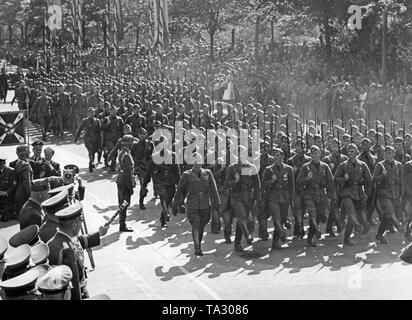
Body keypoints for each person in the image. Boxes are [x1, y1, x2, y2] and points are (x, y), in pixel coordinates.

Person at [47, 202, 101, 300]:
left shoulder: (54, 241)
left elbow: (78, 241)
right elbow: (74, 285)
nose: (81, 225)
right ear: (74, 225)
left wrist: (99, 233)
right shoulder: (68, 251)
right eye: (81, 221)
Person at [173, 153, 221, 256]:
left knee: (201, 226)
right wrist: (175, 205)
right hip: (192, 204)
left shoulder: (208, 173)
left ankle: (197, 242)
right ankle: (197, 248)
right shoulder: (187, 174)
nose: (197, 164)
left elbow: (214, 189)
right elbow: (179, 190)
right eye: (194, 162)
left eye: (199, 161)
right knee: (196, 225)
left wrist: (217, 203)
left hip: (205, 204)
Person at [296, 145, 335, 247]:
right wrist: (307, 179)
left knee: (318, 216)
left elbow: (331, 182)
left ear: (320, 154)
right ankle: (316, 232)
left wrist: (330, 194)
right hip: (309, 193)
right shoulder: (305, 167)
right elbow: (298, 182)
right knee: (312, 213)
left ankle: (310, 236)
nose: (314, 155)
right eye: (312, 153)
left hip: (321, 194)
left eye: (316, 153)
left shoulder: (325, 166)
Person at [334, 143, 372, 246]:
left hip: (358, 192)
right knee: (350, 210)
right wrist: (344, 179)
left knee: (352, 216)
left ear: (356, 152)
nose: (350, 153)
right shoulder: (343, 165)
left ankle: (347, 238)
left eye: (352, 151)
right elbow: (336, 178)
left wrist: (367, 193)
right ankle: (358, 226)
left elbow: (369, 180)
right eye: (349, 151)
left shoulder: (362, 165)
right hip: (347, 191)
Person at [224, 152, 260, 252]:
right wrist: (235, 181)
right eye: (240, 155)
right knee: (242, 216)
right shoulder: (232, 168)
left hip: (248, 197)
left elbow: (257, 184)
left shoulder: (252, 167)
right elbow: (226, 184)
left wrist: (258, 198)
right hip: (236, 197)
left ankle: (237, 242)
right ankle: (247, 236)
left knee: (244, 220)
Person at [262, 148, 295, 250]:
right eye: (273, 155)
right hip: (273, 196)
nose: (275, 158)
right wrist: (272, 181)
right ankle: (282, 233)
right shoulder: (269, 169)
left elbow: (291, 185)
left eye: (277, 155)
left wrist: (292, 199)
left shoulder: (289, 169)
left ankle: (275, 241)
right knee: (276, 217)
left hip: (285, 196)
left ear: (282, 156)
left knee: (281, 218)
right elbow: (263, 184)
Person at [372, 146, 405, 244]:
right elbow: (374, 178)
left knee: (388, 215)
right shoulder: (380, 165)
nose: (387, 155)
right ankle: (395, 226)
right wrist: (382, 175)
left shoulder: (398, 165)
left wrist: (402, 193)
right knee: (389, 212)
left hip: (395, 193)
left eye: (389, 153)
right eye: (386, 153)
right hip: (384, 193)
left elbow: (402, 181)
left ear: (394, 154)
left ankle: (380, 234)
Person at [115, 135, 135, 232]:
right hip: (125, 181)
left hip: (121, 179)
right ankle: (122, 225)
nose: (133, 145)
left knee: (123, 203)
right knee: (125, 203)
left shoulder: (123, 152)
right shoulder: (126, 155)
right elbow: (128, 173)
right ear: (128, 143)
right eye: (132, 143)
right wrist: (130, 187)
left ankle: (122, 223)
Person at [74, 107, 101, 172]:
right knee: (90, 150)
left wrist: (101, 141)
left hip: (95, 139)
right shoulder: (85, 121)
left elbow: (100, 131)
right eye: (89, 113)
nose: (91, 114)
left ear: (94, 113)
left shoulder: (97, 121)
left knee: (94, 152)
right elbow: (80, 129)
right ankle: (90, 164)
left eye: (92, 112)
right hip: (88, 139)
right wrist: (76, 137)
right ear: (87, 114)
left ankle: (92, 162)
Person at [10, 146, 33, 217]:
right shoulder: (26, 165)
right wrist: (30, 195)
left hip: (18, 192)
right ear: (26, 154)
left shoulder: (19, 164)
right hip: (25, 192)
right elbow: (27, 181)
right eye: (28, 152)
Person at [101, 105, 124, 171]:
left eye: (114, 111)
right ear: (110, 111)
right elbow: (102, 128)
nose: (113, 112)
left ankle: (108, 159)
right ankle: (113, 165)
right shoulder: (106, 119)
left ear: (116, 111)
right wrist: (107, 124)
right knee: (112, 151)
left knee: (115, 153)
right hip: (109, 139)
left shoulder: (120, 119)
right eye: (112, 111)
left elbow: (122, 129)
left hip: (116, 138)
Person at [0, 153, 17, 222]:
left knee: (5, 218)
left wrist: (6, 192)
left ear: (4, 163)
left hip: (7, 198)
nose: (0, 166)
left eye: (1, 164)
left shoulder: (11, 171)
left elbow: (14, 185)